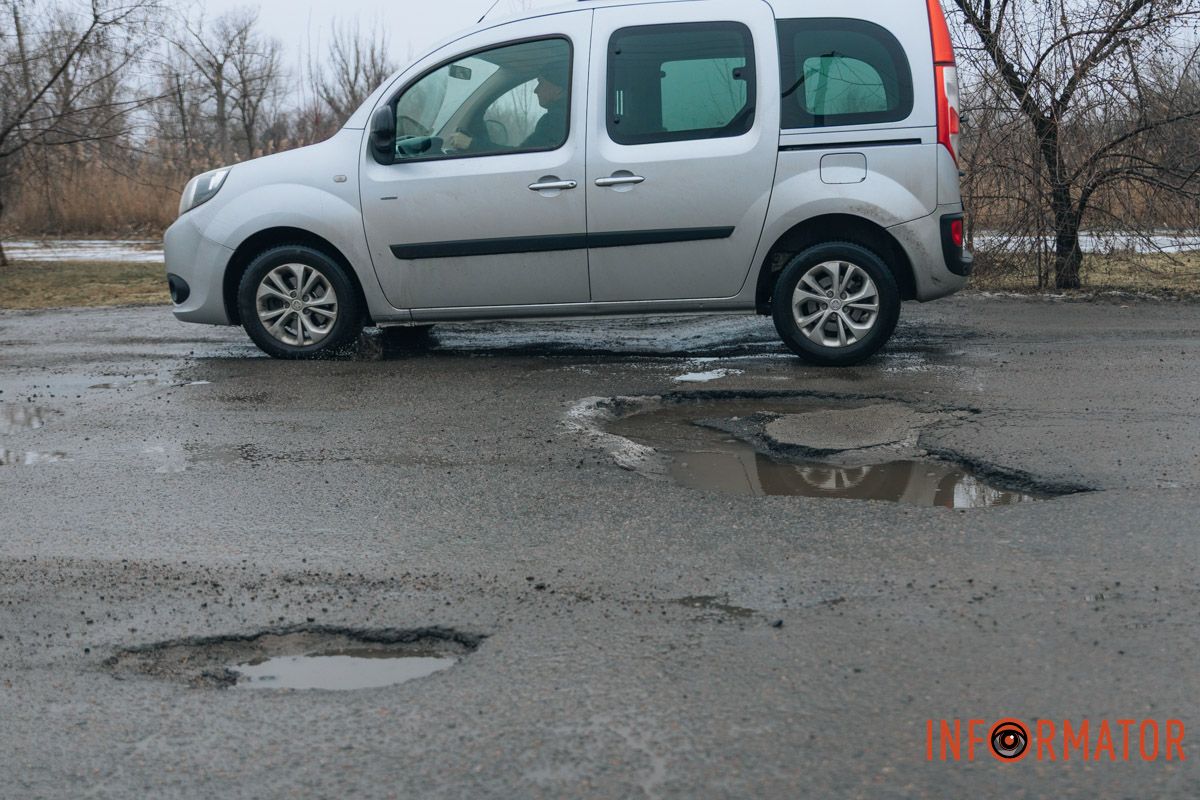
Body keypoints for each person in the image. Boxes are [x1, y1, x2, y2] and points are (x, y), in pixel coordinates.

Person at [447, 64, 568, 153]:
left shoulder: (555, 120)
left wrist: (471, 144)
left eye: (541, 83)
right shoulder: (565, 117)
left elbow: (522, 156)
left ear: (558, 89)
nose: (536, 90)